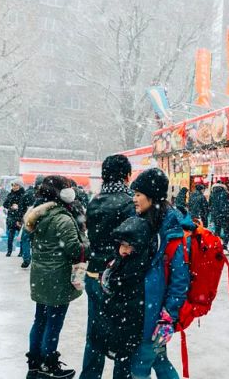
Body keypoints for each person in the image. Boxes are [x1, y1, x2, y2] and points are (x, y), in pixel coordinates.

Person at [24, 176, 89, 379]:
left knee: (40, 320)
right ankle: (48, 364)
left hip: (41, 276)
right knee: (53, 323)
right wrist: (87, 243)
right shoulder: (61, 217)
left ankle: (35, 363)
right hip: (57, 278)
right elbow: (74, 249)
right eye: (67, 188)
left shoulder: (41, 213)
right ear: (60, 193)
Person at [129, 168, 190, 379]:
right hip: (142, 310)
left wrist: (168, 316)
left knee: (139, 368)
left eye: (138, 194)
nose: (134, 199)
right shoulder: (145, 221)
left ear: (152, 196)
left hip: (154, 314)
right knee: (160, 361)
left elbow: (180, 279)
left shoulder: (169, 229)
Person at [80, 155, 135, 379]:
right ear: (127, 175)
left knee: (95, 335)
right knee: (122, 339)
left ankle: (90, 375)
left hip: (94, 274)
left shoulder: (94, 200)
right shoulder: (130, 201)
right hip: (117, 278)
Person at [92, 217, 152, 365]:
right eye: (122, 245)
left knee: (126, 367)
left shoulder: (135, 269)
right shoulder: (118, 263)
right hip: (117, 329)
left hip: (125, 332)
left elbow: (129, 306)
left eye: (129, 245)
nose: (124, 249)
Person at [19, 175, 44, 269]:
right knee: (36, 241)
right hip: (40, 222)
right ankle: (35, 259)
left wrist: (21, 218)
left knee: (25, 239)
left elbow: (21, 207)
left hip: (29, 220)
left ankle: (26, 258)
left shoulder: (28, 193)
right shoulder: (46, 195)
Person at [3, 179, 25, 257]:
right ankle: (9, 251)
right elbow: (5, 204)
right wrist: (11, 206)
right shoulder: (10, 194)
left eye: (16, 185)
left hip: (20, 217)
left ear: (20, 186)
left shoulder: (23, 195)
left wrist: (18, 207)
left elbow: (25, 207)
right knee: (10, 235)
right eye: (13, 185)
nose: (14, 187)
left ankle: (21, 252)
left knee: (21, 236)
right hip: (11, 217)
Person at [209, 181, 229, 249]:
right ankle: (224, 245)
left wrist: (213, 213)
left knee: (217, 230)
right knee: (227, 230)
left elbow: (210, 205)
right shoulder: (225, 193)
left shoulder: (212, 194)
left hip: (216, 215)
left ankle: (217, 244)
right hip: (224, 215)